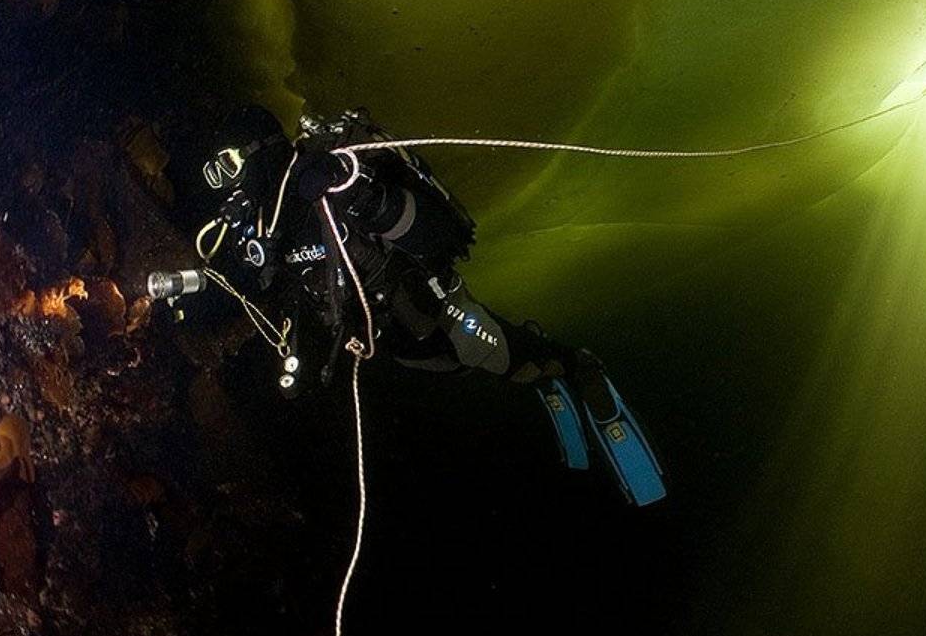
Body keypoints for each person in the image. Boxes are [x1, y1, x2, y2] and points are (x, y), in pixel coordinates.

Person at [166, 104, 666, 507]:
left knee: (498, 360)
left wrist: (362, 196)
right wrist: (190, 292)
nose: (227, 185)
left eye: (227, 167)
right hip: (396, 346)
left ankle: (573, 367)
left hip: (444, 319)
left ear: (262, 151)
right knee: (462, 372)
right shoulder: (262, 230)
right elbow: (256, 291)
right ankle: (533, 359)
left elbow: (443, 234)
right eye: (215, 175)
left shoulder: (339, 177)